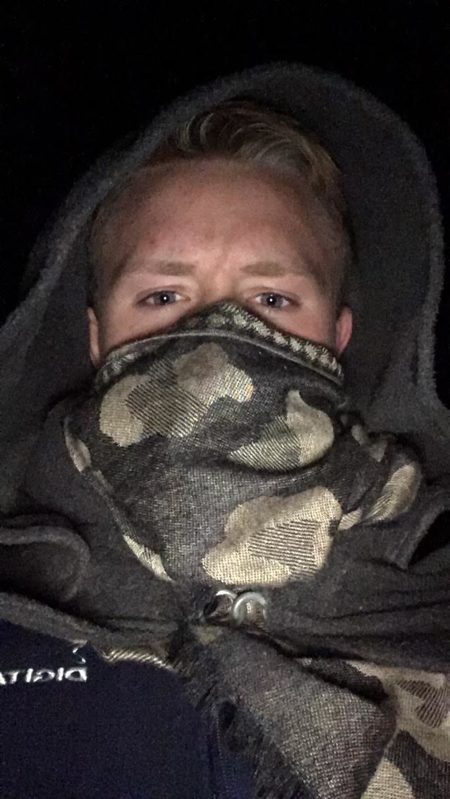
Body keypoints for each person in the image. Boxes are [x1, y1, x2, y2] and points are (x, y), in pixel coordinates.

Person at [1, 62, 450, 798]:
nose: (216, 341)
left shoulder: (430, 601)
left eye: (271, 299)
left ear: (338, 338)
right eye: (163, 296)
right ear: (95, 335)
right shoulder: (18, 606)